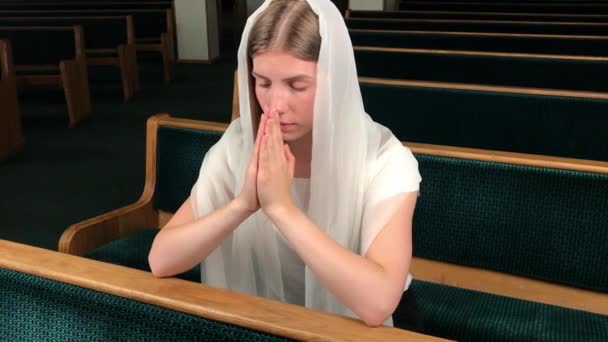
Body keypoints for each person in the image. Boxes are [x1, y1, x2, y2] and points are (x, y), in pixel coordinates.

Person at [148, 0, 422, 330]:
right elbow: (161, 260)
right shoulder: (238, 145)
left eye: (296, 85)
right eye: (262, 82)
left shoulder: (384, 159)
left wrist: (281, 208)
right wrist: (242, 205)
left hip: (354, 326)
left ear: (333, 81)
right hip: (269, 317)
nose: (275, 106)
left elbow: (378, 303)